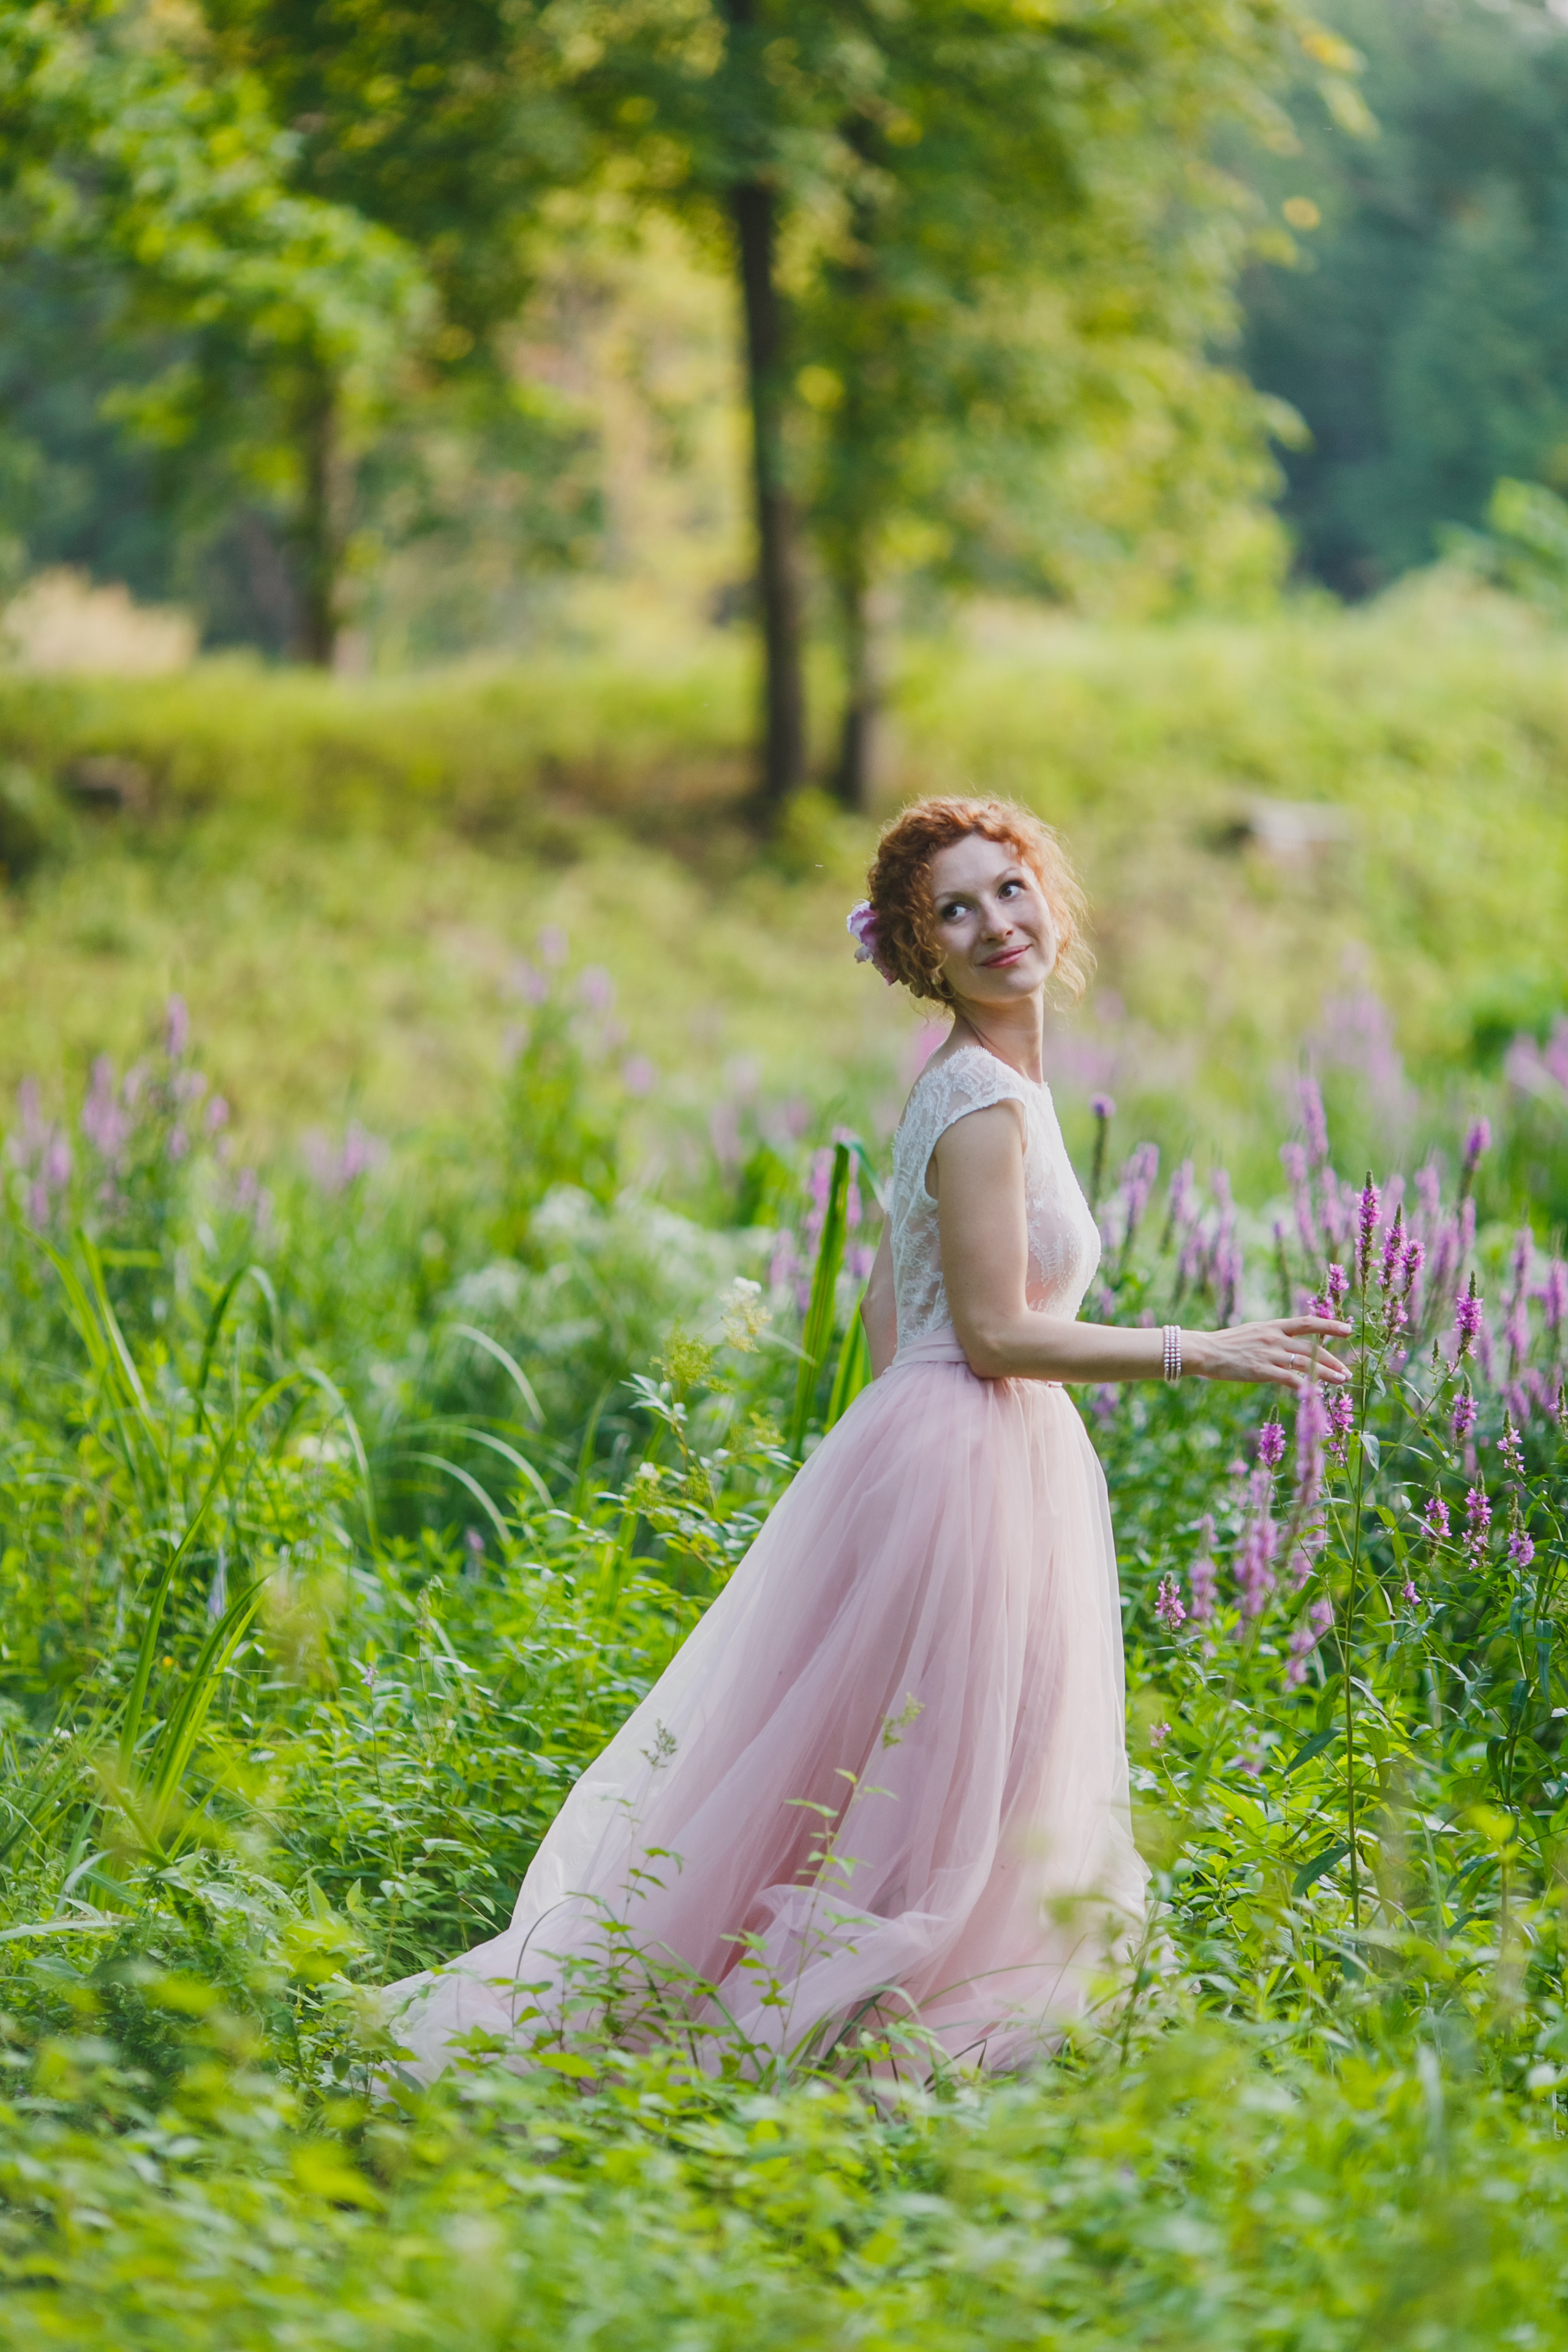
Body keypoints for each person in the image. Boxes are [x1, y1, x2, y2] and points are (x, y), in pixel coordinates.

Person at [383, 794, 1352, 2082]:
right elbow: (995, 1334)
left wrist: (923, 1470)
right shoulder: (979, 1103)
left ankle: (858, 2004)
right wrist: (1201, 1350)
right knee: (925, 1779)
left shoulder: (988, 1086)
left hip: (961, 1457)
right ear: (918, 956)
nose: (993, 923)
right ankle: (864, 2022)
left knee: (921, 1766)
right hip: (973, 1446)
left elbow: (900, 1320)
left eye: (1008, 889)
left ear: (1049, 899)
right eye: (952, 912)